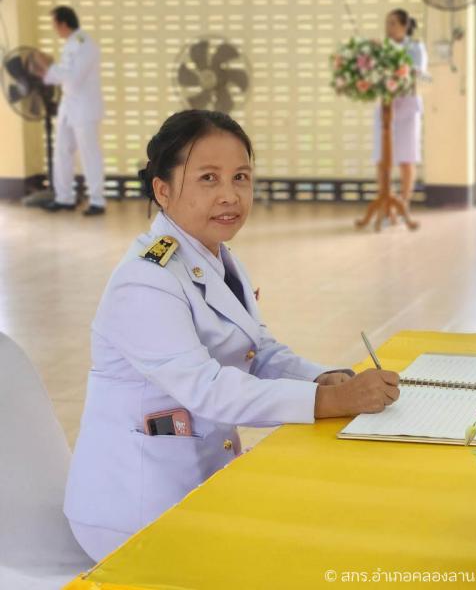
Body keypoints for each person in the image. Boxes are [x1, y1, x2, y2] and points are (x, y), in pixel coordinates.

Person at [63, 110, 400, 562]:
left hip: (197, 484)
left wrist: (325, 379)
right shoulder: (145, 281)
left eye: (241, 177)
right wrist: (330, 403)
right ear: (162, 190)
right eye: (208, 178)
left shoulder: (215, 257)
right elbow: (208, 389)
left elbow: (259, 352)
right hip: (134, 511)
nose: (230, 195)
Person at [31, 6, 106, 216]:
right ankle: (64, 198)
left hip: (84, 107)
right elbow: (62, 76)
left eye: (55, 25)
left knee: (89, 154)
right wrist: (44, 71)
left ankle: (97, 201)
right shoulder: (71, 44)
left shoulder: (85, 44)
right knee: (62, 151)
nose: (55, 29)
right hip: (69, 106)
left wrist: (49, 67)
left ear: (63, 24)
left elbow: (73, 78)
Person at [372, 9, 428, 212]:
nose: (389, 28)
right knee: (382, 158)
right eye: (387, 23)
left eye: (393, 24)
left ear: (405, 26)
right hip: (386, 108)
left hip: (407, 107)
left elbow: (417, 72)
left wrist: (390, 50)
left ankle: (404, 203)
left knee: (406, 158)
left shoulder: (416, 47)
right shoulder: (380, 48)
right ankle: (386, 201)